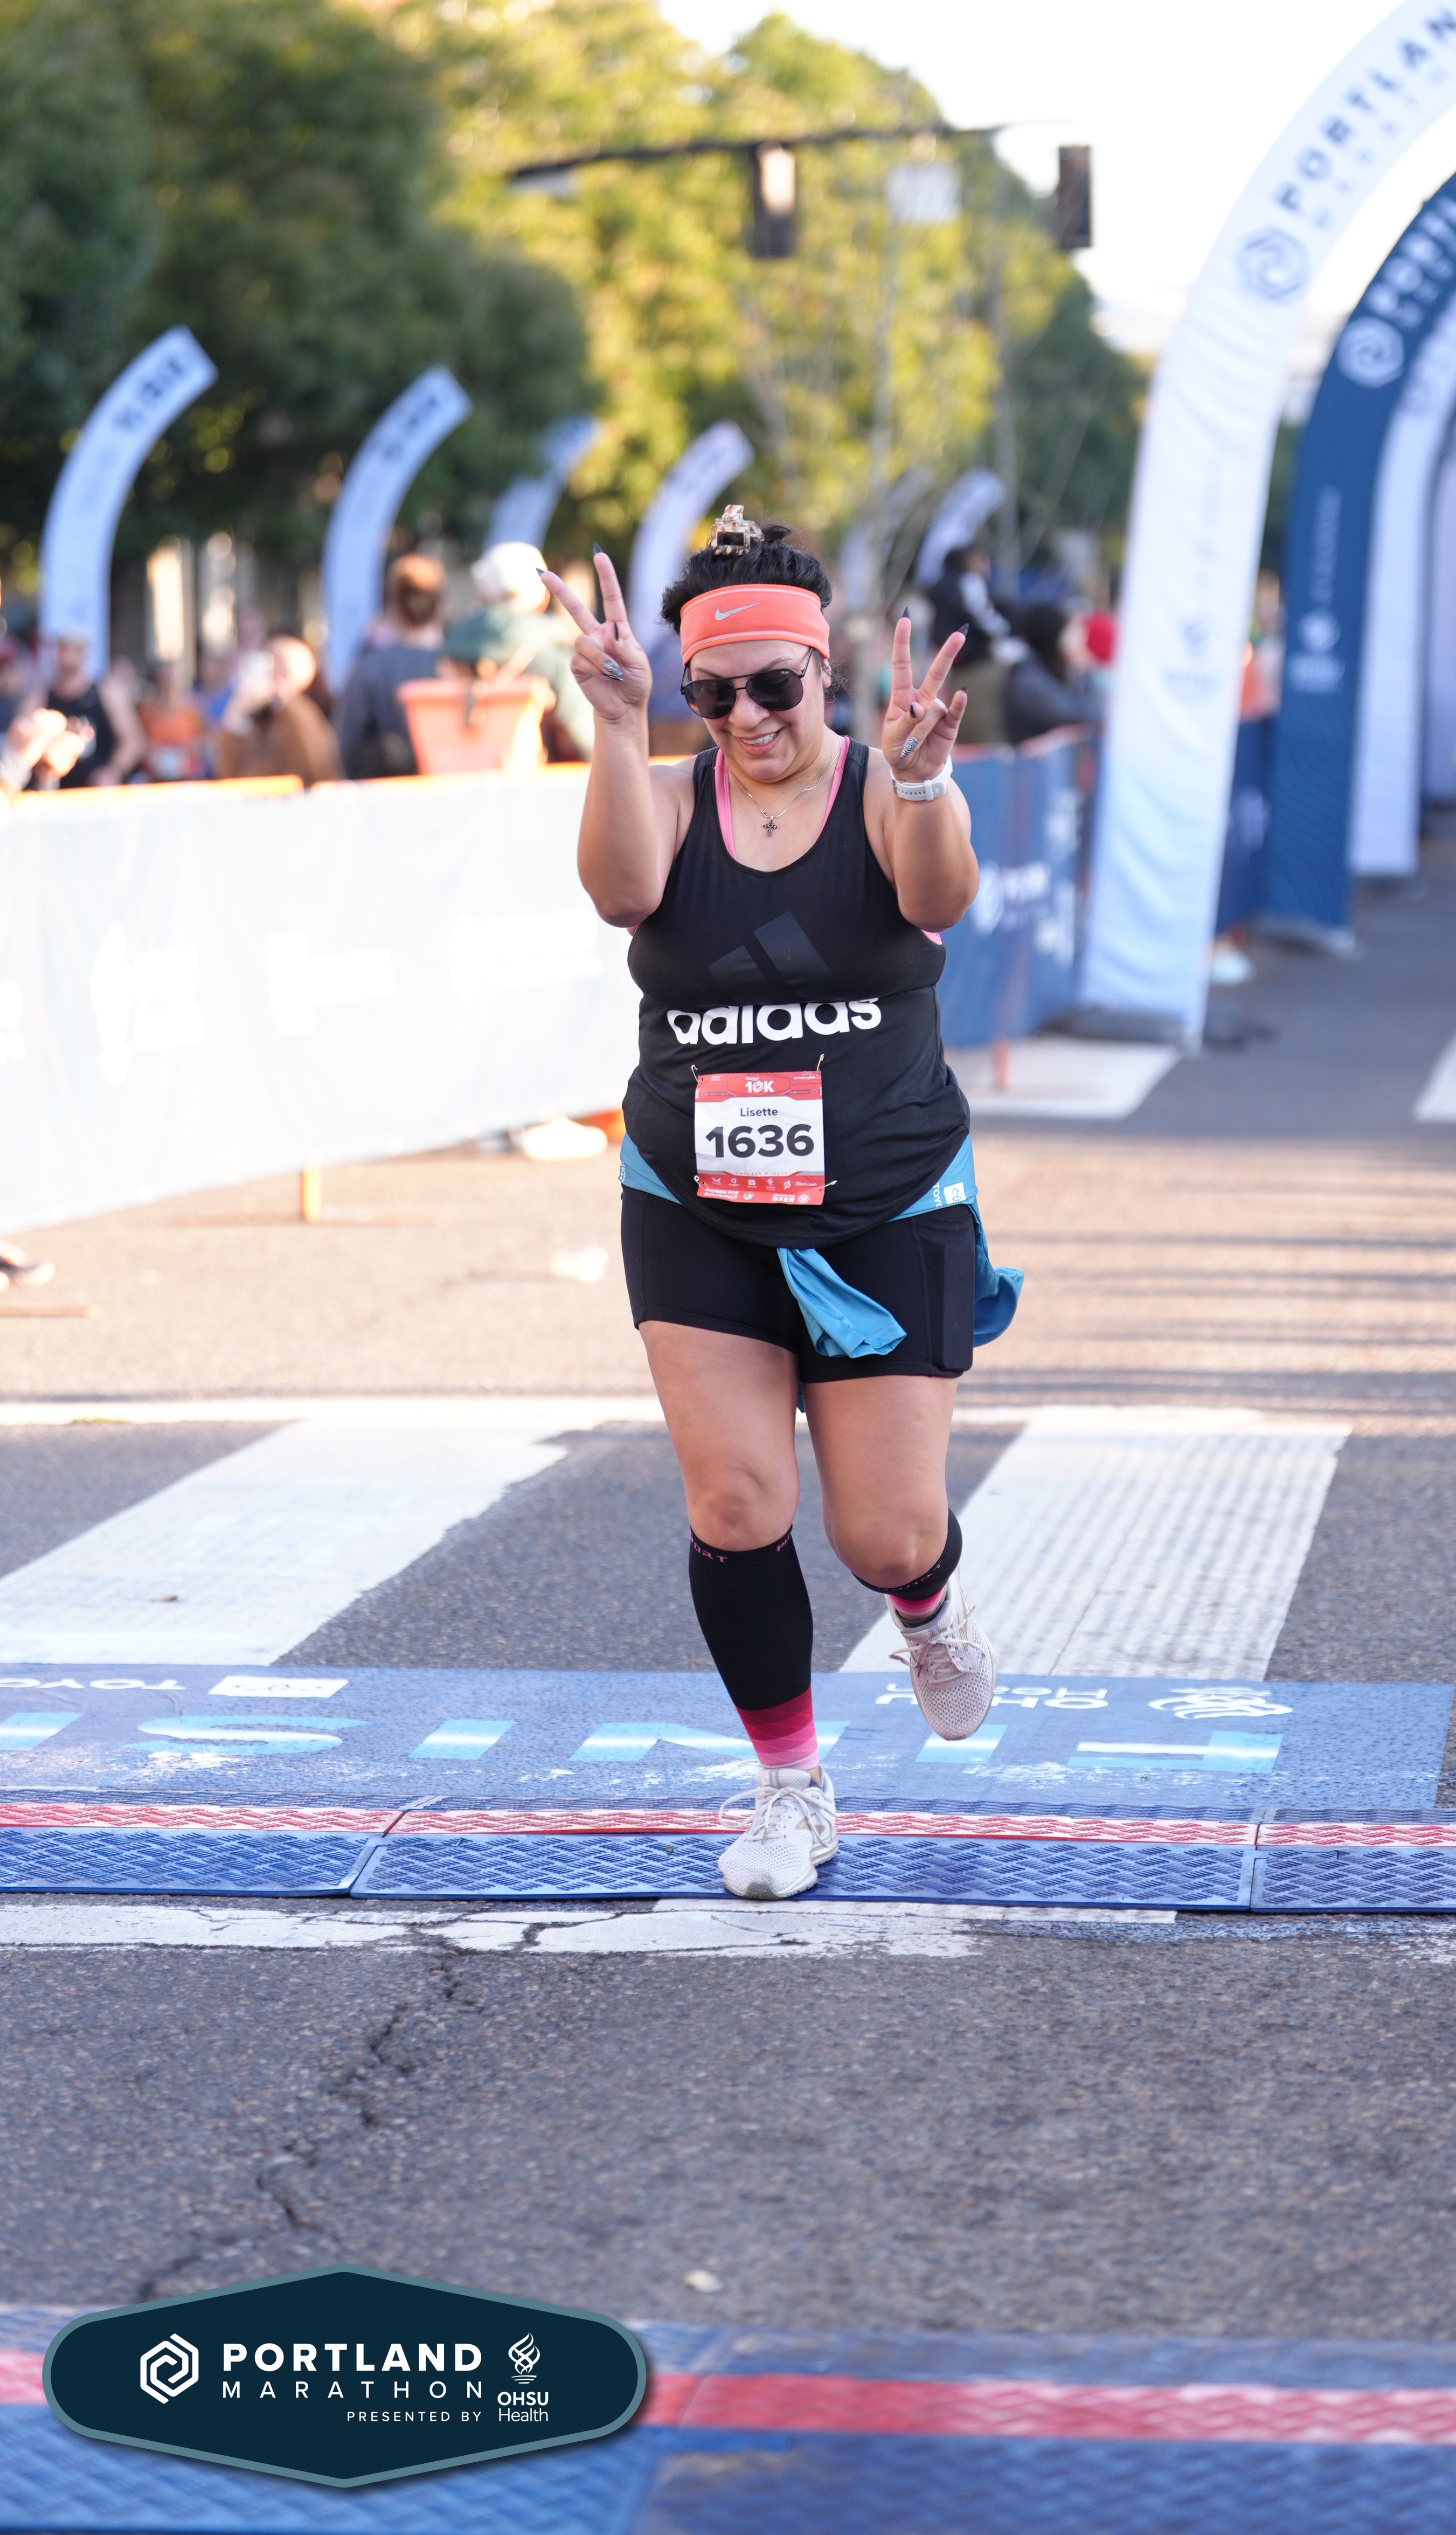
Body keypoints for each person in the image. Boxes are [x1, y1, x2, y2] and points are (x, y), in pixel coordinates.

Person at [544, 503, 1020, 1902]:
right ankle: (790, 1788)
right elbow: (620, 894)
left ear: (825, 671)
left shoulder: (882, 786)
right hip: (696, 1199)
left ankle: (926, 1606)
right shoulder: (668, 795)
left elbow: (942, 896)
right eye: (715, 694)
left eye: (774, 687)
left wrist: (926, 782)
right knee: (739, 1498)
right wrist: (619, 726)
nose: (749, 718)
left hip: (885, 1201)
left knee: (884, 1532)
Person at [442, 541, 592, 760]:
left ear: (483, 595)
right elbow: (588, 746)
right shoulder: (558, 663)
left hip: (449, 770)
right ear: (544, 597)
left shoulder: (446, 652)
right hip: (536, 778)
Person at [335, 553, 446, 778]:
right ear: (440, 607)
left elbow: (346, 746)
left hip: (383, 793)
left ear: (395, 608)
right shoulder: (465, 667)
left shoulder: (368, 669)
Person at [213, 635, 342, 786]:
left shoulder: (306, 714)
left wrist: (284, 699)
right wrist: (239, 709)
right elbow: (226, 770)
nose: (275, 668)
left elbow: (317, 768)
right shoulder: (256, 714)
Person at [926, 544, 1015, 747]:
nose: (986, 566)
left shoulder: (940, 587)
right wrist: (1006, 632)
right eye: (982, 560)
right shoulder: (969, 582)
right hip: (976, 662)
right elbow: (984, 617)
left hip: (953, 664)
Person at [32, 631, 144, 788]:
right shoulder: (41, 697)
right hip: (57, 791)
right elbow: (24, 742)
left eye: (74, 649)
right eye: (63, 648)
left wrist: (113, 771)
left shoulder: (107, 692)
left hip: (97, 791)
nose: (67, 656)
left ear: (84, 652)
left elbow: (133, 741)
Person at [1004, 601, 1102, 746]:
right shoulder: (1028, 680)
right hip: (1032, 759)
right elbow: (1077, 714)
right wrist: (1086, 671)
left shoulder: (1056, 668)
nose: (1076, 642)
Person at [139, 659, 211, 783]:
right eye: (165, 677)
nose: (169, 683)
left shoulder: (195, 709)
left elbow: (206, 742)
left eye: (173, 678)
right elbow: (142, 744)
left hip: (187, 778)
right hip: (155, 779)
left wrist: (191, 749)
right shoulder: (147, 711)